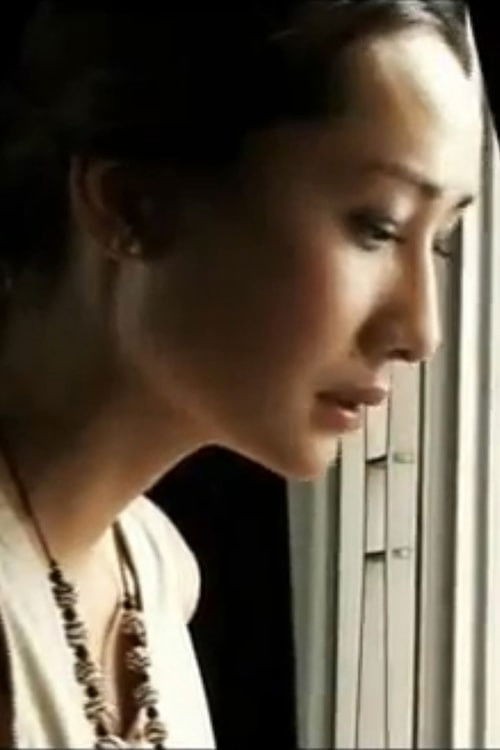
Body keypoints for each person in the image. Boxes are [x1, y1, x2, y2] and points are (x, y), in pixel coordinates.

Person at [0, 1, 481, 747]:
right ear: (133, 203)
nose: (422, 331)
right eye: (377, 226)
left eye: (440, 242)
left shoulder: (153, 574)